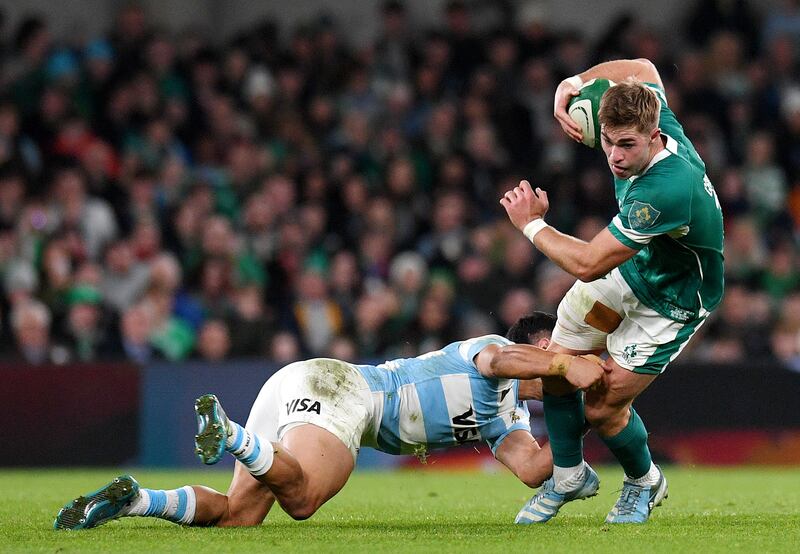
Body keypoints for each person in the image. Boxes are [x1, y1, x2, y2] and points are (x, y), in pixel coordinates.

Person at [54, 313, 604, 530]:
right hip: (342, 391)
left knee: (240, 519)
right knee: (303, 501)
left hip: (301, 391)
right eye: (554, 352)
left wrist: (588, 415)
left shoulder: (505, 419)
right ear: (541, 345)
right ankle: (231, 435)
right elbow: (503, 359)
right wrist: (567, 363)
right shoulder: (494, 353)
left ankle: (135, 500)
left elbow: (534, 469)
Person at [500, 58, 724, 524]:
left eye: (627, 145)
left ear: (656, 138)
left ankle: (644, 480)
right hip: (635, 271)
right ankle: (566, 477)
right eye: (608, 142)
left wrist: (531, 224)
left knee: (602, 407)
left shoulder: (666, 189)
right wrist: (572, 83)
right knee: (556, 367)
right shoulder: (641, 108)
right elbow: (641, 66)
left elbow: (588, 263)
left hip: (673, 303)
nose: (616, 156)